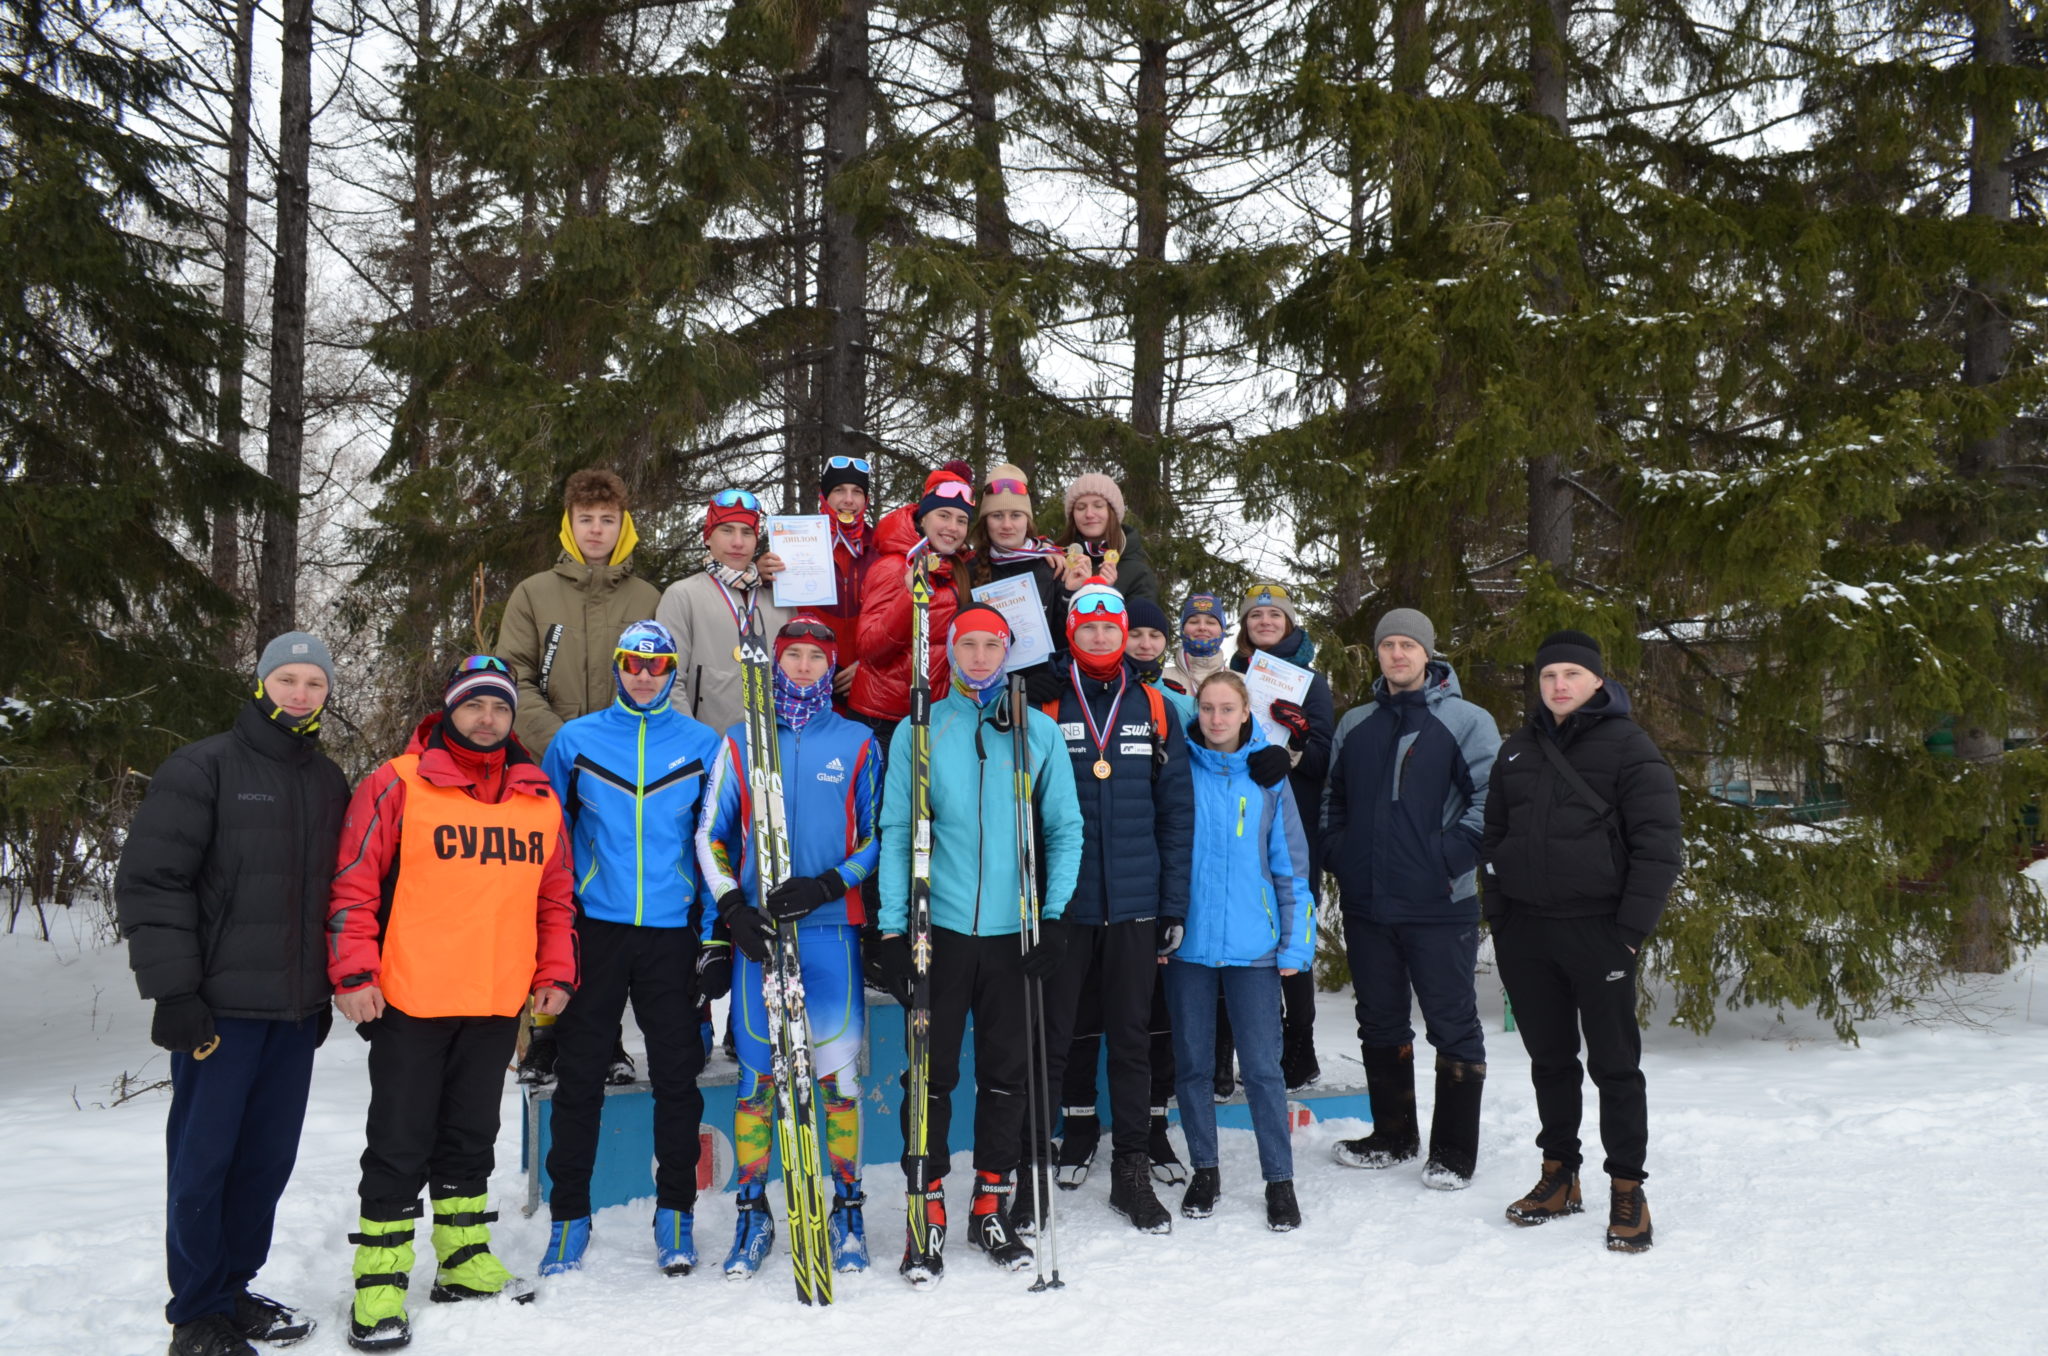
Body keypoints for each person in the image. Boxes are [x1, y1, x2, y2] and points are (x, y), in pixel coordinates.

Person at [326, 657, 578, 1351]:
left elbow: (555, 898)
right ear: (450, 711)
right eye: (474, 706)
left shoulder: (538, 798)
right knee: (400, 1141)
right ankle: (380, 1280)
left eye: (499, 707)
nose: (488, 719)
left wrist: (555, 970)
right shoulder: (398, 783)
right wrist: (352, 974)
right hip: (410, 998)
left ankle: (465, 1260)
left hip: (497, 1001)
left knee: (470, 1139)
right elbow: (353, 885)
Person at [115, 633, 351, 1356]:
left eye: (314, 682)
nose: (301, 694)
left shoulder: (327, 780)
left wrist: (326, 989)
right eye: (288, 679)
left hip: (294, 1012)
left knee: (264, 1162)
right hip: (217, 1012)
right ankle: (195, 1315)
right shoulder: (203, 767)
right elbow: (152, 883)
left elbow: (338, 894)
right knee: (203, 1162)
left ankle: (234, 1289)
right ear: (259, 684)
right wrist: (174, 992)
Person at [871, 606, 1084, 1285]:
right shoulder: (920, 728)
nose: (983, 657)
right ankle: (925, 1214)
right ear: (952, 651)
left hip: (1014, 936)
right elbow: (899, 829)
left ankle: (990, 1204)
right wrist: (892, 928)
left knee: (1007, 1077)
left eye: (994, 644)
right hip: (943, 934)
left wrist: (1052, 918)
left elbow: (1065, 830)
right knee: (929, 1080)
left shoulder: (1038, 730)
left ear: (1009, 650)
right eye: (970, 644)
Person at [531, 621, 723, 1280]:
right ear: (617, 668)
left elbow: (714, 844)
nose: (645, 675)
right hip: (596, 929)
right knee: (579, 1077)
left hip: (670, 933)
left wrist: (711, 935)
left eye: (658, 664)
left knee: (677, 1078)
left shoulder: (703, 744)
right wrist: (550, 933)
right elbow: (552, 842)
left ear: (673, 671)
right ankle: (568, 1219)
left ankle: (675, 1215)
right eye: (634, 664)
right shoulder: (576, 740)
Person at [695, 617, 883, 1278]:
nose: (803, 667)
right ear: (774, 664)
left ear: (831, 667)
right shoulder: (742, 740)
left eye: (815, 657)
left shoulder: (858, 741)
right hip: (761, 934)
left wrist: (832, 883)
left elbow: (876, 836)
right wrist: (730, 910)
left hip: (830, 931)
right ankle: (753, 1211)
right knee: (756, 1080)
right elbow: (710, 836)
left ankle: (847, 1208)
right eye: (793, 656)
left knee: (838, 1082)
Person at [1483, 629, 1680, 1254]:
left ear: (1597, 680)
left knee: (1615, 1067)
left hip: (1600, 934)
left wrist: (1627, 936)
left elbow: (1658, 849)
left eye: (1571, 673)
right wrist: (1504, 919)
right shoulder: (1517, 750)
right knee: (1550, 1062)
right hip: (1528, 934)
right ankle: (1558, 1176)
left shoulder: (1631, 749)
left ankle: (1628, 1187)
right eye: (1548, 676)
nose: (1559, 685)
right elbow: (1492, 839)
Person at [1031, 580, 1194, 1235]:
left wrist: (1171, 903)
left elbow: (1175, 814)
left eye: (1111, 627)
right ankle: (1033, 1169)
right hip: (1064, 907)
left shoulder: (1155, 706)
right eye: (1088, 627)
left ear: (1125, 635)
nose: (1100, 637)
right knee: (1053, 1041)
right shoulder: (1043, 700)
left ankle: (1130, 1167)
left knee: (1130, 1040)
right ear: (1071, 632)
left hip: (1133, 905)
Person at [1322, 608, 1502, 1190]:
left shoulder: (1467, 721)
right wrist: (1340, 853)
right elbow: (1333, 799)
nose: (1397, 654)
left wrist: (1444, 860)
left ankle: (1454, 1152)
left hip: (1438, 903)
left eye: (1407, 645)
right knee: (1378, 1020)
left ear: (1428, 653)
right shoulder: (1356, 724)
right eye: (1387, 645)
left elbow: (1490, 806)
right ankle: (1393, 1136)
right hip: (1369, 903)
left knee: (1452, 1023)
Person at [498, 467, 656, 1088]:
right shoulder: (535, 594)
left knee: (607, 907)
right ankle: (541, 1037)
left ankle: (606, 1037)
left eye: (608, 520)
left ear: (624, 526)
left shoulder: (647, 598)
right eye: (586, 519)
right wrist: (563, 742)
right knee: (549, 901)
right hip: (549, 772)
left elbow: (656, 676)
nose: (597, 529)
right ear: (570, 524)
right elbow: (514, 674)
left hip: (624, 780)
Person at [1165, 671, 1316, 1232]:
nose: (1217, 719)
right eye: (1207, 708)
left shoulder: (1268, 777)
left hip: (1255, 945)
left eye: (1228, 708)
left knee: (1261, 1068)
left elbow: (1292, 867)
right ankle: (1205, 1168)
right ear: (1195, 711)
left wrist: (1296, 943)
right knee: (1194, 1066)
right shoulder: (1179, 769)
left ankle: (1280, 1179)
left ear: (1246, 711)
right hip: (1190, 947)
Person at [1229, 581, 1335, 1090]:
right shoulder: (1234, 675)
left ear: (1289, 623)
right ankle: (1241, 1047)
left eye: (1274, 615)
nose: (1265, 622)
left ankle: (1301, 1046)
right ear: (1246, 626)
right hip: (1240, 823)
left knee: (1294, 932)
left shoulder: (1311, 683)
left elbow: (1323, 760)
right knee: (1243, 931)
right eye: (1256, 616)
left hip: (1293, 824)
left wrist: (1294, 744)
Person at [848, 464, 976, 749]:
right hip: (883, 719)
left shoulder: (956, 570)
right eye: (943, 516)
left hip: (936, 715)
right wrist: (909, 598)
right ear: (923, 517)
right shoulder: (892, 566)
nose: (952, 528)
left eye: (961, 520)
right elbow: (869, 649)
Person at [655, 488, 792, 738]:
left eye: (747, 532)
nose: (738, 542)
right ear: (708, 537)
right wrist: (696, 743)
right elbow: (668, 681)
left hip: (771, 753)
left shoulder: (780, 601)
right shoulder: (683, 595)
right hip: (707, 748)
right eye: (726, 530)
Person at [959, 462, 1067, 705]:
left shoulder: (1050, 565)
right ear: (986, 521)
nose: (1007, 525)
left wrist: (1049, 677)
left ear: (1027, 521)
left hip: (1046, 698)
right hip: (989, 697)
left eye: (1015, 515)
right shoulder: (970, 569)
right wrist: (1010, 686)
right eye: (997, 516)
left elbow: (1065, 637)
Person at [815, 456, 878, 706]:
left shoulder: (881, 550)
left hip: (865, 687)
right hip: (810, 680)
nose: (849, 500)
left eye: (857, 492)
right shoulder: (797, 544)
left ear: (866, 500)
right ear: (824, 497)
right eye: (839, 490)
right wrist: (765, 573)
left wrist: (869, 666)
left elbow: (897, 625)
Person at [1124, 596, 1195, 728]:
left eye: (1154, 636)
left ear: (1165, 642)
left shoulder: (1188, 707)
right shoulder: (1103, 696)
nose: (1145, 644)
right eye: (1134, 635)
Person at [1160, 591, 1230, 701]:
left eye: (1210, 622)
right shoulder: (1160, 679)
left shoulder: (1242, 682)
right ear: (1182, 629)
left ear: (1222, 630)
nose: (1202, 627)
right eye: (1194, 622)